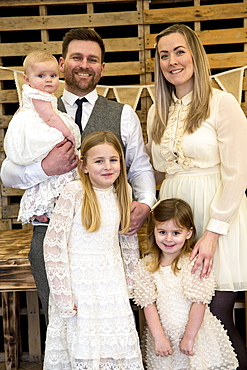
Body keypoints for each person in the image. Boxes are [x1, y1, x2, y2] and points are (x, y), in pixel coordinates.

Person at [0, 28, 156, 322]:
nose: (85, 64)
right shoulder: (33, 110)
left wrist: (146, 203)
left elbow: (141, 168)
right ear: (62, 63)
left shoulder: (122, 114)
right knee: (62, 322)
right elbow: (7, 172)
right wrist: (46, 168)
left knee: (111, 323)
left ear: (102, 67)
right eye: (77, 57)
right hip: (50, 238)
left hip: (106, 239)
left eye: (92, 59)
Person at [146, 23, 247, 368]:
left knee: (216, 319)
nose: (172, 61)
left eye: (179, 51)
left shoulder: (222, 103)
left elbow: (237, 173)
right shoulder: (157, 111)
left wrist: (214, 232)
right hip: (177, 220)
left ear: (195, 56)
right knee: (178, 318)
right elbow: (158, 171)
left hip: (218, 216)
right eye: (163, 55)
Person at [43, 131, 144, 369]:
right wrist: (63, 295)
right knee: (84, 347)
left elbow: (128, 241)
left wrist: (131, 284)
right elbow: (53, 245)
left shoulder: (124, 191)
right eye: (99, 161)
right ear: (84, 165)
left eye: (113, 159)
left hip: (111, 282)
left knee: (113, 347)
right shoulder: (74, 192)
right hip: (79, 285)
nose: (107, 167)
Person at [133, 198, 238, 369]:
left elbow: (199, 302)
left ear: (188, 233)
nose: (168, 239)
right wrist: (159, 337)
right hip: (163, 336)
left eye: (176, 233)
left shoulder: (193, 263)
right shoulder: (147, 265)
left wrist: (190, 337)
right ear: (154, 231)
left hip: (195, 335)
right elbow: (148, 304)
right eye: (162, 232)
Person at [3, 50, 81, 225]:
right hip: (38, 134)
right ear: (26, 79)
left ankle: (40, 208)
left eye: (53, 75)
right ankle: (45, 206)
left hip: (34, 132)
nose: (48, 79)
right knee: (55, 170)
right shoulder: (39, 96)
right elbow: (51, 117)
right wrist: (67, 134)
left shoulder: (32, 95)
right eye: (41, 75)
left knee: (47, 177)